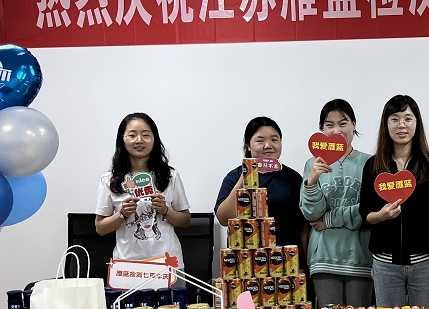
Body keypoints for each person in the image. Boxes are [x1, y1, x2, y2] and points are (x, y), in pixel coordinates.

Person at [358, 95, 429, 308]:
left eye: (408, 118)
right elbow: (365, 214)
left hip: (425, 263)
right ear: (386, 124)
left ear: (417, 123)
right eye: (395, 119)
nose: (401, 125)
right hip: (385, 265)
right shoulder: (373, 165)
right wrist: (381, 216)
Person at [95, 112, 192, 270]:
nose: (139, 140)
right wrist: (122, 214)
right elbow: (100, 228)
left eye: (146, 135)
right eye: (132, 135)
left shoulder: (170, 176)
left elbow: (186, 221)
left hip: (167, 262)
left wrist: (166, 210)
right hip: (127, 264)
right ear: (122, 139)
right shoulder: (109, 180)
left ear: (154, 139)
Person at [301, 99, 373, 308]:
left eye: (343, 123)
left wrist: (330, 219)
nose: (336, 130)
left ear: (354, 125)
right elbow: (311, 215)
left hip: (359, 256)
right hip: (323, 258)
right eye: (329, 125)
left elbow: (368, 210)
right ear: (322, 129)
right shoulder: (313, 164)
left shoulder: (370, 162)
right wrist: (312, 181)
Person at [215, 117, 306, 262]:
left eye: (274, 140)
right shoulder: (234, 177)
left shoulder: (293, 178)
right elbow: (224, 219)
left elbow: (304, 227)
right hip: (245, 262)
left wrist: (306, 265)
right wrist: (247, 175)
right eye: (260, 140)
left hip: (285, 262)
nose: (268, 145)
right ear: (248, 146)